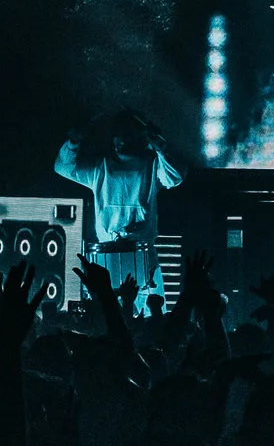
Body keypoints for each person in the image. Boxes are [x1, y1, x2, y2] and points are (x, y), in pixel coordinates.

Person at [54, 109, 184, 306]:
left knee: (149, 315)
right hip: (108, 254)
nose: (121, 140)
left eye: (128, 135)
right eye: (118, 135)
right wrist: (73, 142)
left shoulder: (151, 164)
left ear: (139, 138)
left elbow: (175, 177)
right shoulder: (101, 167)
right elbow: (63, 167)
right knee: (109, 315)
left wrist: (160, 147)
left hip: (143, 254)